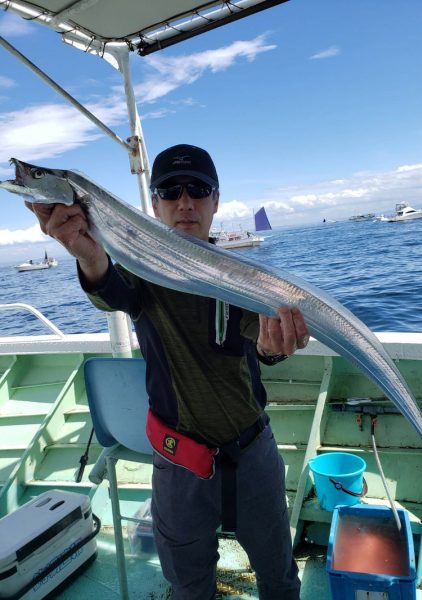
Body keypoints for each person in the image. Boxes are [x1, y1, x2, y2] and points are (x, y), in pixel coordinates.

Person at [27, 144, 309, 600]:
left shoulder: (243, 274)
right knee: (189, 588)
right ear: (154, 204)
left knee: (278, 579)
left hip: (253, 450)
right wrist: (85, 254)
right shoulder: (140, 269)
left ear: (215, 200)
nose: (184, 202)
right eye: (169, 191)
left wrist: (276, 346)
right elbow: (109, 289)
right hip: (180, 462)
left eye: (198, 189)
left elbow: (262, 341)